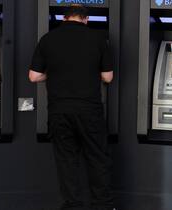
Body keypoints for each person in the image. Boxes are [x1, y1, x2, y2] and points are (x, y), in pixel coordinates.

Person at [29, 4, 114, 210]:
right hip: (89, 110)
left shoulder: (48, 39)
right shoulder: (98, 39)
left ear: (63, 18)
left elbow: (33, 76)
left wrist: (56, 73)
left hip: (60, 111)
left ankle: (72, 205)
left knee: (66, 160)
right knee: (96, 158)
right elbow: (107, 77)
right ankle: (102, 205)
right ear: (86, 20)